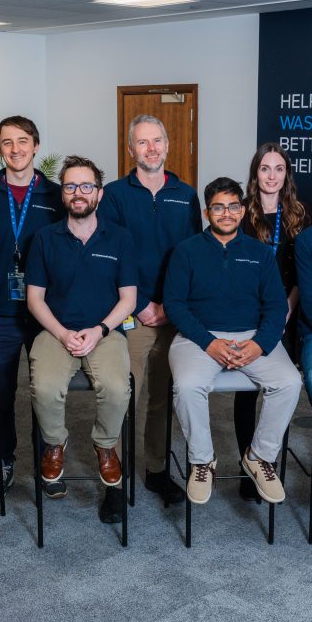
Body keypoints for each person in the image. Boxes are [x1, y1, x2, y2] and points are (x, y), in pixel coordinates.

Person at [165, 177, 302, 505]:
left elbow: (276, 306)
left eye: (232, 206)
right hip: (198, 338)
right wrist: (209, 343)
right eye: (218, 207)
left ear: (242, 211)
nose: (226, 213)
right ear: (206, 212)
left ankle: (259, 457)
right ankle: (202, 461)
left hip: (251, 336)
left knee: (290, 382)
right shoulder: (186, 251)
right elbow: (175, 305)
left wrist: (259, 344)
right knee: (187, 386)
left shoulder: (260, 253)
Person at [25, 155, 137, 524]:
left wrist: (100, 330)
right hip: (55, 331)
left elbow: (129, 299)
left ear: (99, 193)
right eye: (71, 186)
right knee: (44, 388)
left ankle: (105, 447)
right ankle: (55, 443)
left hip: (105, 332)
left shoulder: (120, 237)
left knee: (118, 388)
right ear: (62, 194)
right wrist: (62, 333)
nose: (78, 192)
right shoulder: (44, 239)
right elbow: (35, 299)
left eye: (86, 186)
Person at [99, 114, 201, 504]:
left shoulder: (186, 195)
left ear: (168, 145)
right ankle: (114, 480)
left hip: (174, 315)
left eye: (157, 140)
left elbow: (193, 257)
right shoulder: (114, 196)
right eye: (143, 142)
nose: (151, 148)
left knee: (162, 397)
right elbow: (109, 257)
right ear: (131, 149)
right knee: (122, 397)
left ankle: (156, 470)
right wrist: (141, 305)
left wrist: (170, 306)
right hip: (132, 314)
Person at [0, 116, 64, 502]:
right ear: (0, 149)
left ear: (36, 146)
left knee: (46, 390)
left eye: (23, 141)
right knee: (1, 390)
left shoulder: (56, 196)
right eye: (7, 142)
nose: (15, 149)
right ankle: (3, 459)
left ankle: (48, 461)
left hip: (47, 313)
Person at [232, 142, 312, 502]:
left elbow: (302, 273)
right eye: (265, 168)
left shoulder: (299, 215)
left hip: (286, 313)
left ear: (286, 175)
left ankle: (265, 460)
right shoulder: (240, 213)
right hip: (247, 314)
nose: (272, 175)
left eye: (279, 169)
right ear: (256, 173)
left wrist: (285, 310)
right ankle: (247, 469)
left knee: (281, 388)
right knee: (247, 391)